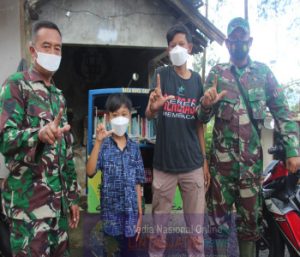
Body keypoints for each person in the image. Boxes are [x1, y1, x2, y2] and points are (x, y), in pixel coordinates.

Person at [197, 17, 300, 257]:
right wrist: (206, 104)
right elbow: (201, 118)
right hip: (221, 172)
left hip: (251, 170)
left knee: (250, 228)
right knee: (218, 228)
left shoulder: (263, 73)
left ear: (250, 41)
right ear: (226, 42)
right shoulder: (217, 73)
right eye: (233, 39)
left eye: (242, 39)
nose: (237, 44)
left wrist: (293, 149)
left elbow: (282, 112)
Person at [0, 20, 80, 256]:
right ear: (33, 50)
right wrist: (39, 135)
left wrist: (73, 197)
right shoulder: (16, 86)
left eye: (58, 48)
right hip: (29, 212)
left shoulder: (59, 97)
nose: (53, 52)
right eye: (47, 46)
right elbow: (5, 138)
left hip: (58, 211)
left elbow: (65, 154)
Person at [146, 24, 209, 257]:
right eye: (173, 45)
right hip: (164, 166)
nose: (177, 49)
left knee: (195, 232)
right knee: (159, 231)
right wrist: (153, 107)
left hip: (192, 165)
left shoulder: (197, 81)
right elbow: (148, 114)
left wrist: (204, 161)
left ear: (190, 48)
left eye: (181, 44)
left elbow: (199, 123)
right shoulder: (161, 76)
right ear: (168, 49)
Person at [86, 93, 145, 257]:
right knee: (111, 251)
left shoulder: (134, 147)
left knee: (130, 252)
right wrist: (97, 142)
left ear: (130, 116)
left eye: (124, 114)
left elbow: (138, 182)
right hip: (110, 215)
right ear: (108, 117)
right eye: (115, 115)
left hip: (131, 214)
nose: (120, 119)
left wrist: (140, 213)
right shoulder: (103, 145)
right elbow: (90, 172)